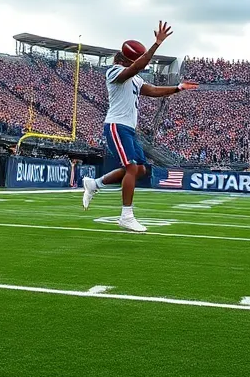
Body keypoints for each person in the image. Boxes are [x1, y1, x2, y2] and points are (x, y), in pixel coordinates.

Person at [80, 22, 196, 232]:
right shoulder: (114, 72)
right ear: (126, 59)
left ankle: (94, 184)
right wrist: (156, 44)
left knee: (140, 169)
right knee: (132, 167)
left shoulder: (134, 78)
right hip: (117, 125)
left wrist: (178, 88)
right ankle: (126, 215)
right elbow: (137, 67)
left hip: (129, 129)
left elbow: (152, 90)